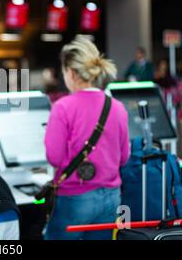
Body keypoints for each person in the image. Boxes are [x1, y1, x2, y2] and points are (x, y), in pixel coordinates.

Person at [43, 37, 130, 240]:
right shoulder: (116, 107)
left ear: (71, 73)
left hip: (75, 197)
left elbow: (54, 157)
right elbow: (124, 157)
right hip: (111, 197)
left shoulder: (63, 107)